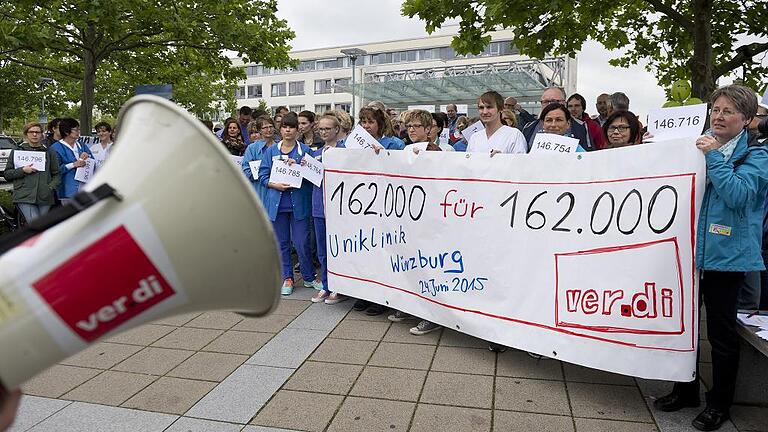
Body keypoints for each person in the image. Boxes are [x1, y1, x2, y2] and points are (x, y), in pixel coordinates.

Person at [653, 85, 768, 432]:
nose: (718, 116)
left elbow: (737, 195)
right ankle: (685, 390)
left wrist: (714, 156)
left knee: (720, 334)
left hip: (725, 257)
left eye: (728, 111)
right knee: (683, 328)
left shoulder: (757, 157)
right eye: (715, 109)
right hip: (687, 253)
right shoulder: (694, 144)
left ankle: (719, 403)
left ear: (746, 119)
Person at [387, 109, 443, 335]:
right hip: (409, 216)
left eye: (417, 126)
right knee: (411, 263)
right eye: (408, 126)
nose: (411, 130)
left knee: (428, 266)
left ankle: (431, 315)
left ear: (429, 129)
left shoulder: (435, 152)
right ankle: (411, 305)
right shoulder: (405, 150)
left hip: (428, 217)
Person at [258, 113, 322, 295]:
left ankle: (309, 276)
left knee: (302, 242)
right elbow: (262, 175)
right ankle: (287, 277)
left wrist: (302, 167)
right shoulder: (271, 151)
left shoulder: (305, 151)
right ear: (280, 129)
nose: (288, 130)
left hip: (299, 204)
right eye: (285, 126)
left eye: (292, 127)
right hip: (277, 205)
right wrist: (273, 184)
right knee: (282, 243)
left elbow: (314, 176)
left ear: (297, 130)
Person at [309, 114, 347, 305]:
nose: (323, 132)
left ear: (336, 130)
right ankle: (326, 284)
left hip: (338, 208)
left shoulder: (345, 151)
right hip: (319, 206)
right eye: (321, 129)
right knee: (323, 249)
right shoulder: (315, 153)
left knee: (337, 249)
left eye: (327, 129)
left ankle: (340, 287)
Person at [3, 122, 61, 222]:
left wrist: (50, 187)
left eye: (37, 132)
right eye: (32, 132)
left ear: (42, 134)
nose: (35, 134)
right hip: (24, 195)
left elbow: (57, 174)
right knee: (36, 223)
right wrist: (22, 170)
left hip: (45, 196)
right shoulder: (17, 151)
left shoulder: (49, 151)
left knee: (41, 225)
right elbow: (7, 174)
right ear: (26, 134)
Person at [523, 87, 593, 151]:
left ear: (564, 103)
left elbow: (587, 157)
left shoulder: (581, 127)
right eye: (545, 101)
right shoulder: (528, 127)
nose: (550, 105)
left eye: (554, 101)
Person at [468, 91, 527, 155]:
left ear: (501, 109)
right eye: (481, 108)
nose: (484, 112)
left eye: (489, 107)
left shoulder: (514, 135)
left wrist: (502, 159)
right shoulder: (474, 137)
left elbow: (520, 163)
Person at [50, 118, 93, 205]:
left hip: (85, 187)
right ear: (66, 132)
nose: (78, 132)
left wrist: (87, 157)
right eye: (76, 129)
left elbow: (92, 161)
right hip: (67, 189)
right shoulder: (56, 148)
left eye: (78, 129)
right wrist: (73, 164)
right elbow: (55, 169)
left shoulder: (81, 145)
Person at [242, 117, 277, 202]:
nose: (268, 130)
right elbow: (246, 170)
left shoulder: (280, 146)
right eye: (264, 128)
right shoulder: (252, 148)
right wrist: (263, 174)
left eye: (270, 126)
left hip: (276, 192)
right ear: (259, 130)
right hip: (259, 191)